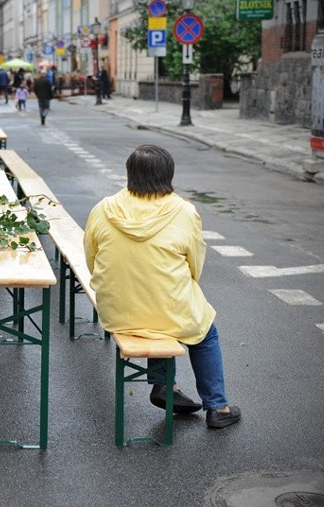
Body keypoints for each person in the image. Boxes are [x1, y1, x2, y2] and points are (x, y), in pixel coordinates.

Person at [84, 145, 242, 429]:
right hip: (166, 312)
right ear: (168, 175)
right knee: (204, 330)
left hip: (117, 313)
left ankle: (164, 386)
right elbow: (195, 266)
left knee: (151, 306)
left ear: (129, 173)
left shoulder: (104, 208)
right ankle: (218, 406)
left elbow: (91, 259)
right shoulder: (183, 211)